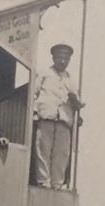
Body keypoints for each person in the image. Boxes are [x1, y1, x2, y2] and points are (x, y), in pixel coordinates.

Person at [33, 43, 84, 189]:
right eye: (60, 58)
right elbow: (33, 93)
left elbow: (77, 101)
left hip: (64, 119)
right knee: (43, 149)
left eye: (66, 59)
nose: (63, 61)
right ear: (54, 58)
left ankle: (57, 183)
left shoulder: (71, 79)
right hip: (47, 115)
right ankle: (44, 181)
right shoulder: (44, 73)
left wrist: (76, 102)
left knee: (61, 153)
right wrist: (35, 113)